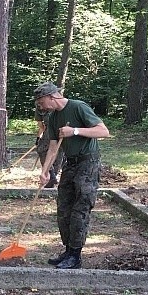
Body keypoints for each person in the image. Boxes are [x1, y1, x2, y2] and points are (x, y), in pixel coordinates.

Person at [33, 82, 110, 269]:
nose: (40, 107)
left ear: (52, 97)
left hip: (87, 163)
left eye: (41, 102)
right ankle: (68, 250)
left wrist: (74, 131)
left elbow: (104, 131)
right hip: (70, 163)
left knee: (80, 208)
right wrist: (45, 172)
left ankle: (75, 255)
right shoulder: (53, 118)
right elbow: (52, 148)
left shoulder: (78, 107)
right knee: (64, 207)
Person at [35, 105, 64, 188]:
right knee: (44, 150)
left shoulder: (62, 105)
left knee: (57, 152)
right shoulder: (40, 106)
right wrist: (38, 138)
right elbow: (41, 126)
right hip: (51, 130)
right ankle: (51, 175)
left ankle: (52, 175)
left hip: (62, 130)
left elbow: (41, 126)